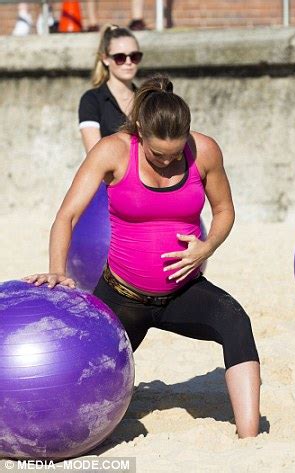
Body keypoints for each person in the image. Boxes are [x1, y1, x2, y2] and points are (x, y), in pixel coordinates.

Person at [23, 75, 261, 439]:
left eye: (175, 153)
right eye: (157, 154)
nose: (167, 162)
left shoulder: (205, 151)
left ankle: (251, 441)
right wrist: (57, 270)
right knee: (83, 373)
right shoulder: (113, 151)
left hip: (183, 293)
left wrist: (207, 246)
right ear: (139, 134)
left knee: (237, 323)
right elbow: (66, 216)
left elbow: (225, 210)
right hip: (121, 299)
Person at [79, 25, 142, 153]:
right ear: (105, 59)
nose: (128, 62)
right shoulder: (91, 100)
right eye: (120, 57)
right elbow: (94, 154)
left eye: (134, 56)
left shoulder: (149, 98)